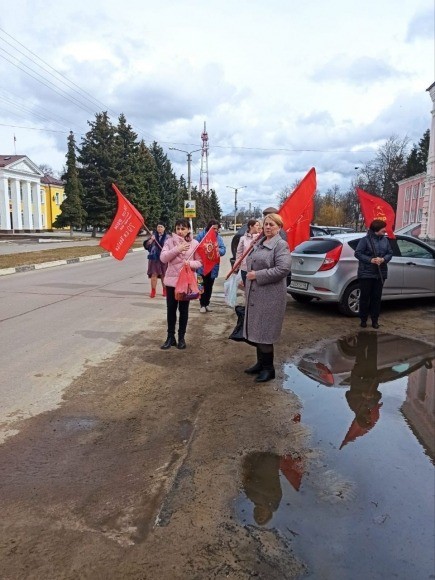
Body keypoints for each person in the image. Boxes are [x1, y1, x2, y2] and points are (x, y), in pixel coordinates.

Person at [243, 213, 292, 382]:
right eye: (266, 224)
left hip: (270, 297)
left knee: (265, 333)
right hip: (256, 295)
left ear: (279, 227)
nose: (268, 227)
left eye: (272, 224)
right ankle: (260, 364)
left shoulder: (281, 245)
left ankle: (269, 369)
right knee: (257, 331)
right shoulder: (260, 242)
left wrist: (257, 275)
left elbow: (283, 269)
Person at [159, 218, 202, 350]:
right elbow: (163, 258)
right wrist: (177, 249)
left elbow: (200, 262)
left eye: (183, 228)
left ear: (188, 229)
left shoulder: (195, 244)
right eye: (178, 228)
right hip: (172, 282)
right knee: (171, 310)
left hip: (186, 283)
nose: (180, 231)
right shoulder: (169, 242)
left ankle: (181, 337)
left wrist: (190, 263)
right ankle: (170, 337)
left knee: (183, 311)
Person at [340, 331, 383, 449]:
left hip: (359, 376)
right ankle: (373, 335)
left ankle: (363, 335)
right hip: (371, 377)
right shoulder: (370, 406)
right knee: (372, 354)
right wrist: (373, 396)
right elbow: (379, 395)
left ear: (362, 418)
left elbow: (348, 394)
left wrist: (361, 394)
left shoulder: (354, 406)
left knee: (361, 353)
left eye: (367, 420)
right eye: (370, 420)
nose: (370, 418)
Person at [354, 219, 393, 329]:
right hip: (366, 273)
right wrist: (370, 260)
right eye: (383, 228)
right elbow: (358, 253)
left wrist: (383, 259)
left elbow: (390, 253)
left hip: (380, 273)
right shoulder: (365, 240)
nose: (385, 230)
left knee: (376, 298)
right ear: (376, 229)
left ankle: (375, 320)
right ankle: (363, 320)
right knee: (365, 297)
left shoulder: (385, 241)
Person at [195, 219, 226, 313]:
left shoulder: (218, 238)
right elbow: (195, 247)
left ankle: (207, 303)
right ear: (209, 228)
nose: (215, 230)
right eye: (213, 228)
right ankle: (202, 304)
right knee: (201, 286)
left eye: (217, 229)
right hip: (200, 267)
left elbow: (223, 250)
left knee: (209, 286)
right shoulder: (201, 235)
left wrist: (215, 250)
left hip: (212, 268)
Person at [143, 223, 167, 298]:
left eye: (161, 226)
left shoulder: (168, 237)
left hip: (164, 259)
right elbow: (147, 246)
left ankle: (165, 290)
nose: (159, 228)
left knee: (164, 275)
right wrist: (151, 240)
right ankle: (153, 291)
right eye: (158, 227)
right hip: (154, 259)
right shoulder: (152, 236)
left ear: (164, 228)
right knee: (154, 275)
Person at [235, 218, 262, 285]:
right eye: (257, 225)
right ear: (251, 226)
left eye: (259, 225)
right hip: (245, 268)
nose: (258, 227)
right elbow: (239, 253)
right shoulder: (243, 239)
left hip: (256, 269)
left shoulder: (260, 238)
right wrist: (236, 265)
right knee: (246, 289)